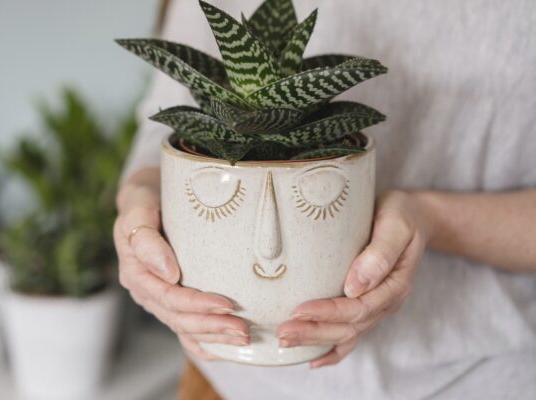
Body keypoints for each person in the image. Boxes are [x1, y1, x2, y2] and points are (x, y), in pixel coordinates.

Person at [114, 0, 536, 398]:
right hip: (232, 382)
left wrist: (431, 218)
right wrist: (139, 207)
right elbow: (162, 119)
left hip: (487, 374)